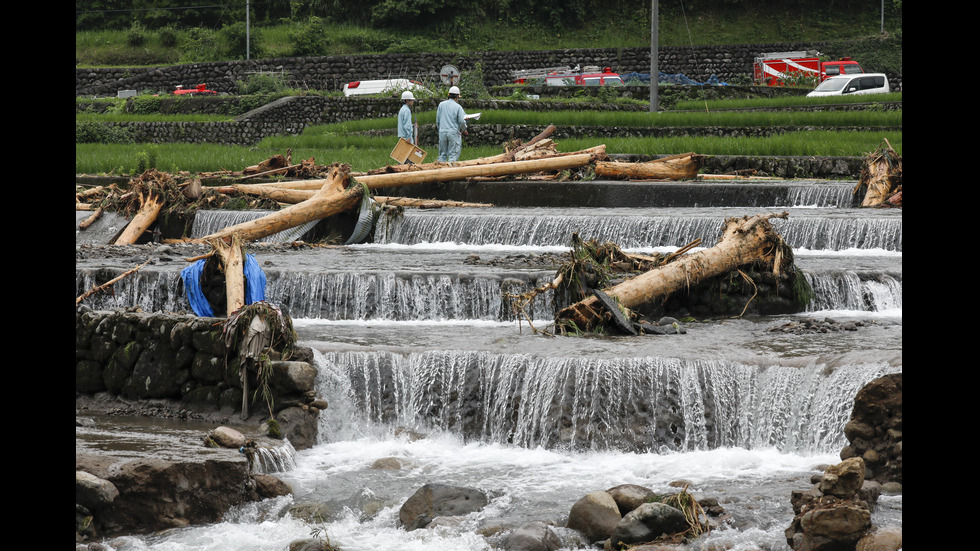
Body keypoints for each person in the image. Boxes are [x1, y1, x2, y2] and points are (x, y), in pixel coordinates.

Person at [436, 85, 468, 163]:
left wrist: (440, 129)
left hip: (442, 132)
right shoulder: (458, 107)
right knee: (453, 155)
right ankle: (450, 172)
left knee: (442, 155)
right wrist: (464, 129)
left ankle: (439, 171)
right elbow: (461, 120)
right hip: (453, 133)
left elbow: (438, 120)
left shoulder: (441, 105)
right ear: (457, 97)